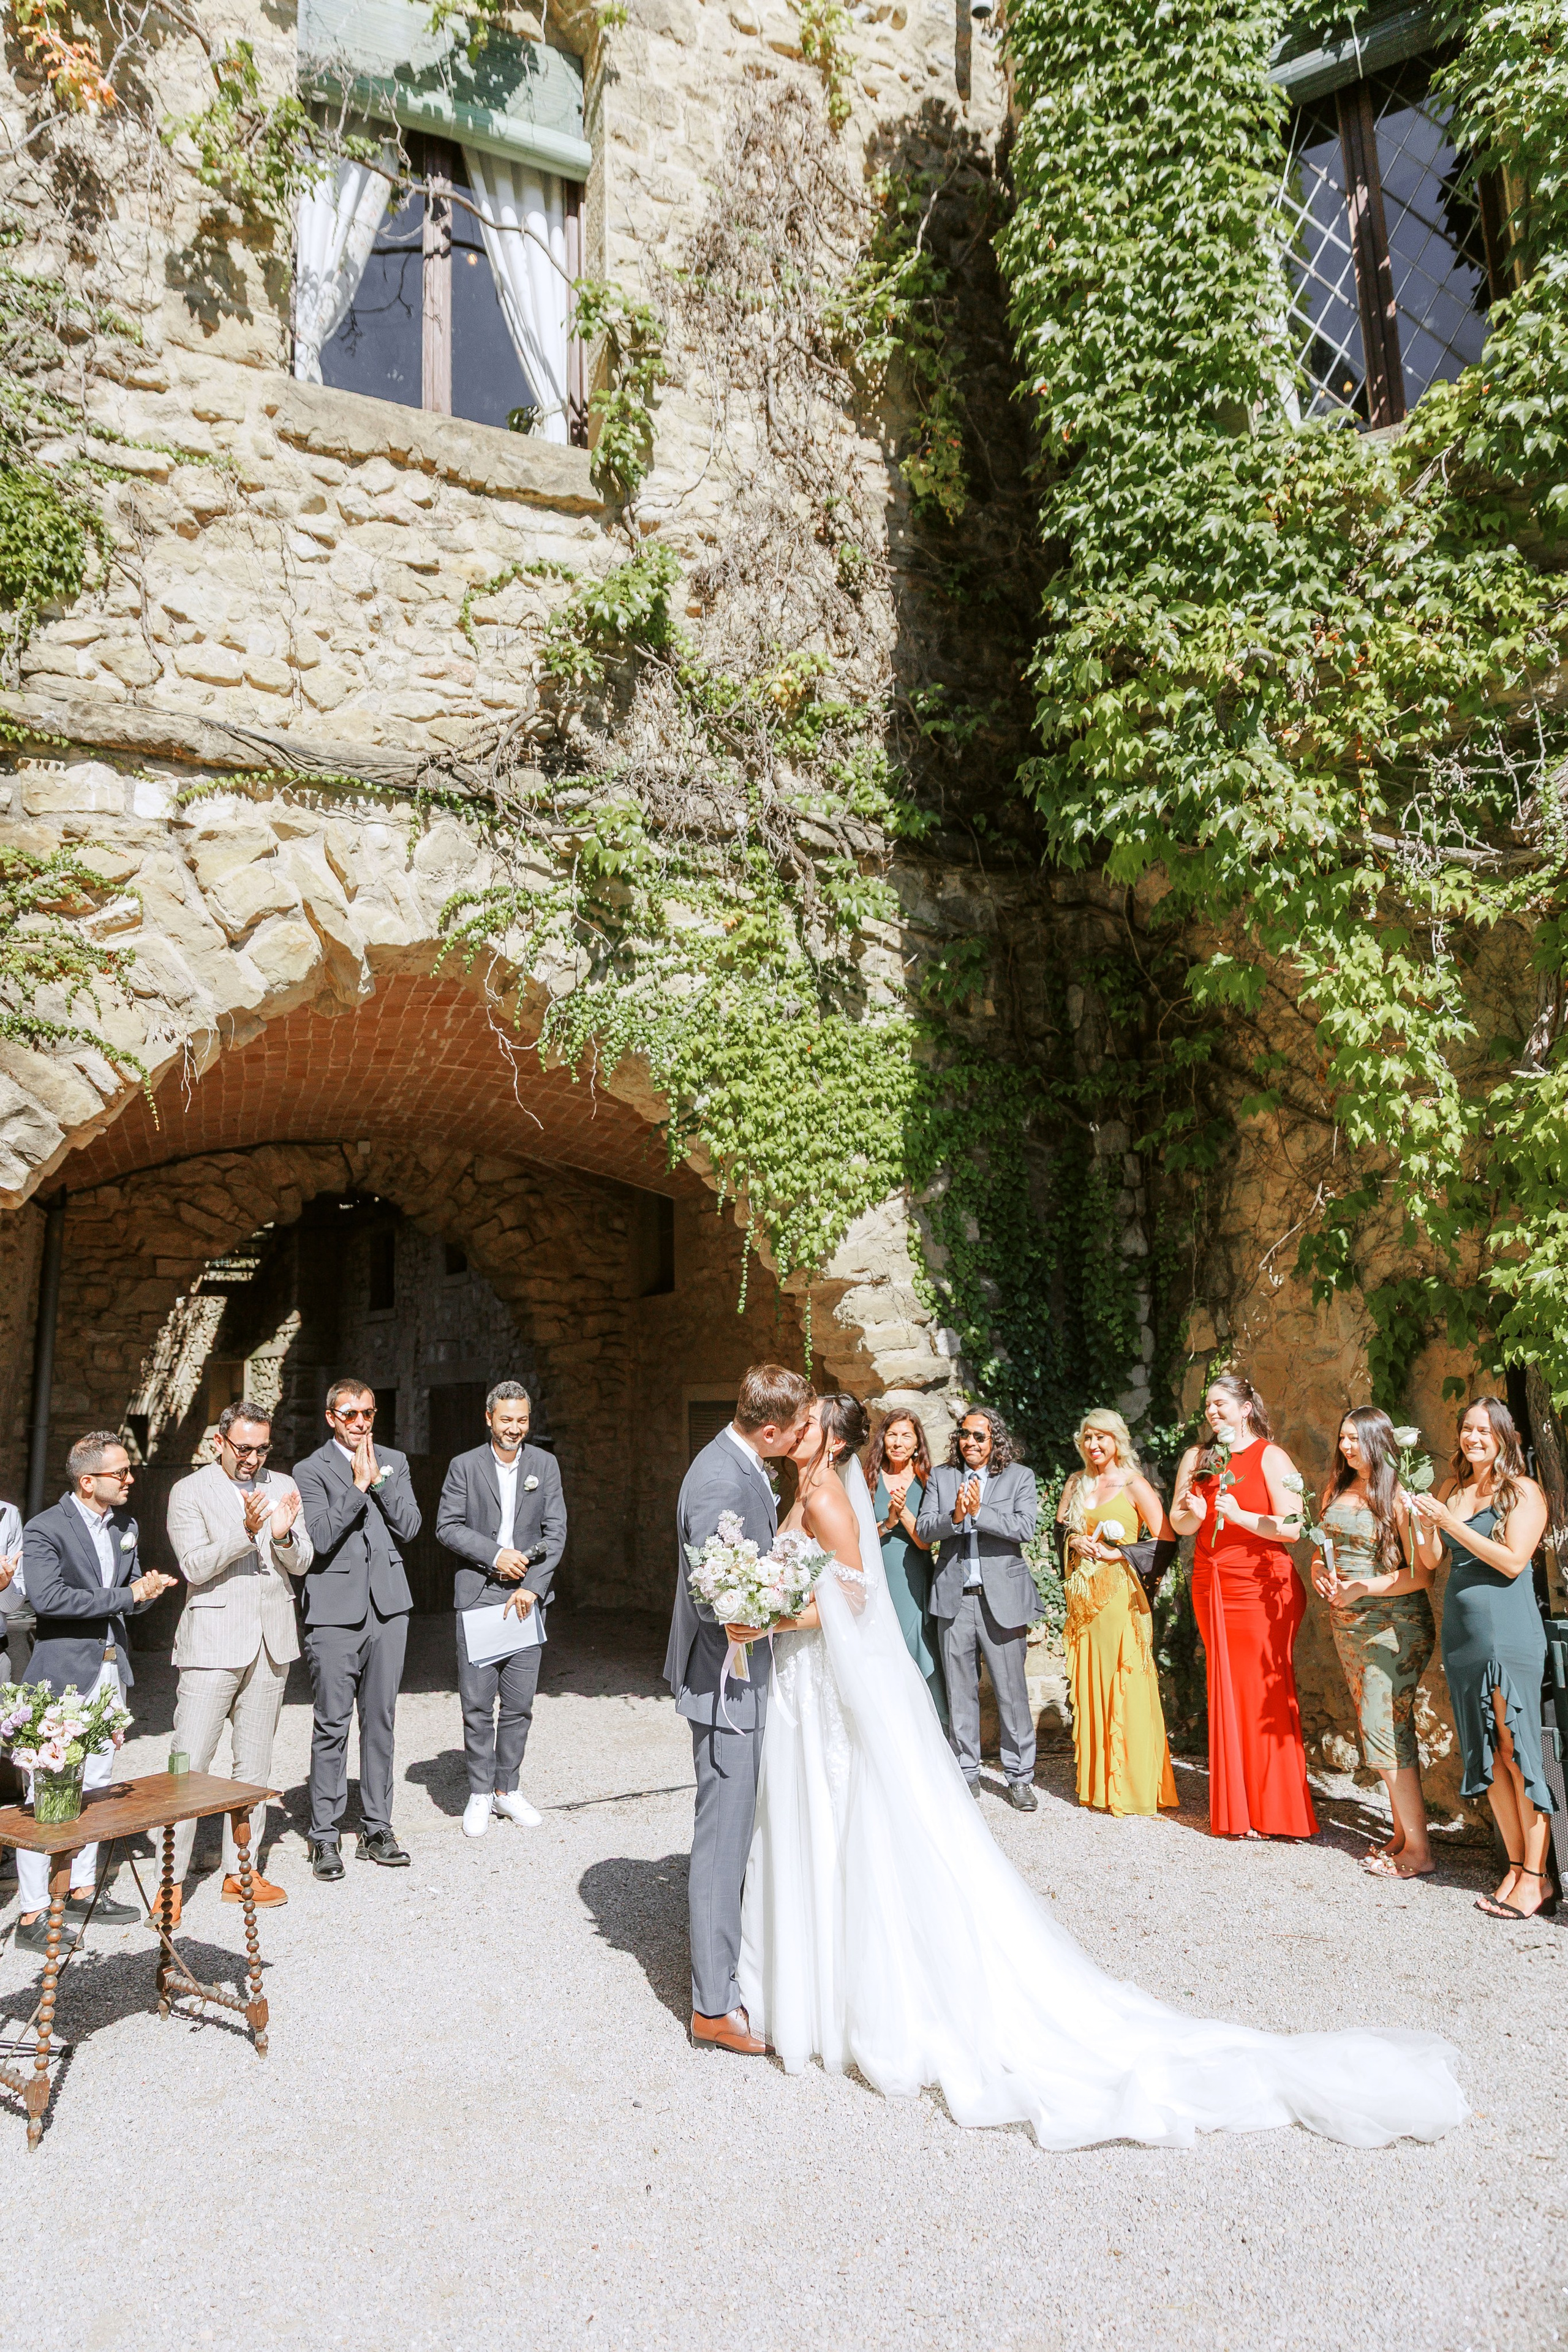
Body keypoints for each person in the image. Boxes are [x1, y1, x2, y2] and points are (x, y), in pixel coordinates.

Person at [735, 1394, 1466, 2148]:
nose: (794, 1428)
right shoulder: (816, 1488)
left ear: (829, 1439)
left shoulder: (831, 1494)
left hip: (1144, 1596)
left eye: (807, 1421)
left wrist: (767, 1615)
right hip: (834, 1666)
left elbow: (856, 1594)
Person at [666, 1360, 814, 2055]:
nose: (803, 1436)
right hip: (724, 1681)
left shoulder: (742, 1463)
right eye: (798, 1427)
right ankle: (713, 2006)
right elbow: (713, 1597)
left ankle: (733, 1968)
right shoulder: (720, 1478)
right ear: (771, 1430)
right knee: (722, 1838)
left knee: (736, 1829)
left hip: (745, 1675)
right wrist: (780, 1606)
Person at [12, 1433, 177, 1953]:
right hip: (62, 1673)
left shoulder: (126, 1526)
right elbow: (50, 1599)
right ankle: (33, 1911)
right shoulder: (45, 1528)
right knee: (48, 1791)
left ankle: (82, 1889)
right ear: (88, 1482)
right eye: (120, 1472)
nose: (130, 1478)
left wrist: (146, 1592)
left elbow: (128, 1595)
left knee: (99, 1783)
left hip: (110, 1670)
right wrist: (127, 1595)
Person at [162, 1399, 312, 1923]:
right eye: (243, 1448)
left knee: (254, 1764)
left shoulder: (282, 1484)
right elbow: (194, 1566)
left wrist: (283, 1535)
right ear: (220, 1442)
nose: (252, 1458)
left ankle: (240, 1872)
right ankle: (169, 1881)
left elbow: (302, 1562)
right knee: (189, 1764)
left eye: (262, 1449)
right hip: (211, 1642)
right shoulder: (189, 1491)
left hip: (271, 1640)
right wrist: (245, 1534)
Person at [1412, 1396, 1555, 1922]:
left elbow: (1514, 1562)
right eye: (1467, 1429)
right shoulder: (1452, 1489)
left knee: (1518, 1752)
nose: (1473, 1438)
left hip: (1507, 1632)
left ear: (1504, 1437)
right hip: (1464, 1635)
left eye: (1484, 1431)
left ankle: (1537, 1878)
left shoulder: (1522, 1491)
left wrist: (1449, 1523)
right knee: (1490, 1755)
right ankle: (1515, 1868)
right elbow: (1432, 1560)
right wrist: (1423, 1522)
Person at [1171, 1373, 1316, 1839]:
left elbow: (1293, 1528)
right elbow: (1178, 1521)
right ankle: (1239, 1808)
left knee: (1263, 1693)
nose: (1212, 1412)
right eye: (1208, 1406)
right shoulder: (1197, 1458)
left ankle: (1274, 1811)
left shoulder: (1271, 1456)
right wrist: (1194, 1515)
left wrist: (1241, 1516)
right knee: (1227, 1689)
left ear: (1245, 1408)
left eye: (1221, 1404)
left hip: (1261, 1585)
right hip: (1211, 1580)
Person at [293, 1378, 422, 1881]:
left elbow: (410, 1527)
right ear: (331, 1417)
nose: (361, 1422)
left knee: (381, 1721)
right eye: (350, 1414)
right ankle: (324, 1835)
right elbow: (320, 1537)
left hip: (389, 1609)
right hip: (333, 1613)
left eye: (368, 1413)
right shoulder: (309, 1470)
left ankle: (377, 1828)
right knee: (332, 1724)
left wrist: (381, 1482)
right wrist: (358, 1486)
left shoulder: (395, 1461)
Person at [1312, 1407, 1441, 1881]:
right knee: (1385, 1729)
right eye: (1342, 1438)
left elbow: (1422, 1575)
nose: (1347, 1447)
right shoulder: (1336, 1488)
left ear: (1379, 1441)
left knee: (1382, 1726)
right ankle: (1403, 1836)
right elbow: (1322, 1550)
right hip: (1349, 1625)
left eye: (1356, 1439)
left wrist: (1361, 1588)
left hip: (1395, 1626)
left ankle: (1420, 1852)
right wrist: (1319, 1572)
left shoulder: (1399, 1496)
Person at [436, 1380, 567, 1839]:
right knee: (477, 1704)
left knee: (519, 1704)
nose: (515, 1428)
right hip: (480, 1595)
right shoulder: (464, 1466)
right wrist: (495, 1555)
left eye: (522, 1420)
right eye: (506, 1419)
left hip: (526, 1597)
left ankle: (507, 1789)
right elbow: (447, 1527)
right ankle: (478, 1792)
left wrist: (533, 1587)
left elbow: (556, 1531)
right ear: (489, 1418)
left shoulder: (545, 1465)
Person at [916, 1404, 1041, 1811]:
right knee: (960, 1691)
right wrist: (956, 1515)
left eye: (978, 1436)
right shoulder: (942, 1476)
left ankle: (1019, 1776)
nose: (969, 1442)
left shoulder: (1019, 1477)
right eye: (964, 1435)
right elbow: (924, 1528)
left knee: (1011, 1692)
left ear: (995, 1441)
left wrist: (979, 1512)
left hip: (1002, 1599)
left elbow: (1025, 1527)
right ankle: (966, 1772)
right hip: (954, 1598)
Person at [1057, 1409, 1178, 1818]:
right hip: (1084, 1602)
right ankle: (1098, 1786)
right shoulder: (1076, 1482)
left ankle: (1132, 1786)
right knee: (1091, 1683)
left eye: (1101, 1437)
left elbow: (1166, 1540)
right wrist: (1075, 1541)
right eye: (1088, 1437)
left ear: (1117, 1440)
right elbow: (1060, 1529)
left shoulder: (1133, 1484)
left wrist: (1118, 1553)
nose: (1093, 1445)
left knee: (1125, 1684)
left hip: (1121, 1599)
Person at [865, 1409, 945, 1724]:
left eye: (906, 1436)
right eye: (892, 1435)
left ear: (917, 1444)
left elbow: (927, 1543)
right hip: (876, 1572)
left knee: (916, 1645)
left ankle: (930, 1727)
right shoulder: (868, 1478)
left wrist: (904, 1514)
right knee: (880, 1648)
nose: (898, 1443)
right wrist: (888, 1523)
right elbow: (856, 1536)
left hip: (912, 1575)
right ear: (883, 1439)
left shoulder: (928, 1481)